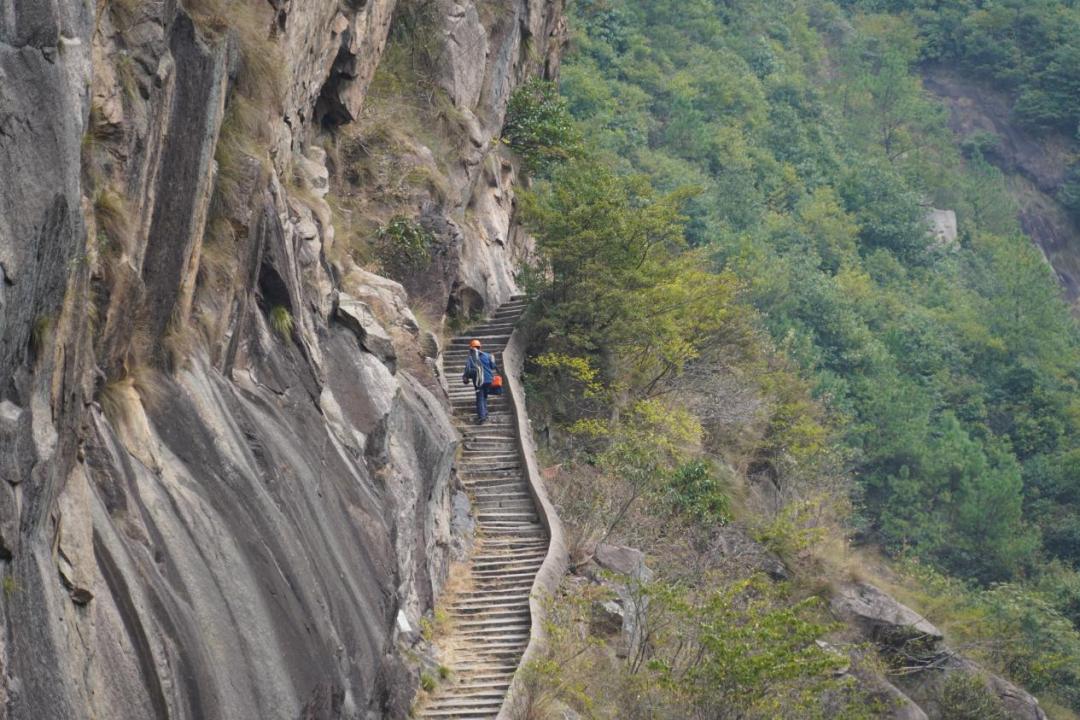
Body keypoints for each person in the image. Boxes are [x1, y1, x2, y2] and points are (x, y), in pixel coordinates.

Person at [463, 339, 498, 424]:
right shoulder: (487, 355)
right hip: (489, 380)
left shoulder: (471, 358)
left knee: (480, 398)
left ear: (471, 348)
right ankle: (485, 414)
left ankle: (482, 417)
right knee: (484, 397)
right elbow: (493, 366)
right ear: (479, 347)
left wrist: (465, 378)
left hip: (479, 381)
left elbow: (468, 370)